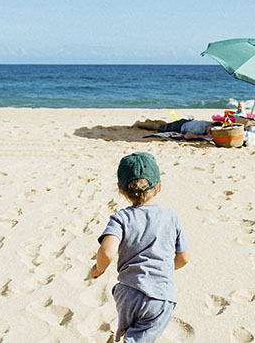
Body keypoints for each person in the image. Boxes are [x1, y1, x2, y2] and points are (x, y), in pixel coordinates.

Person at [91, 152, 190, 343]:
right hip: (160, 296)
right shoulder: (170, 216)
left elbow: (106, 251)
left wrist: (98, 269)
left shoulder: (120, 218)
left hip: (127, 293)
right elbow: (184, 257)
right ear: (159, 185)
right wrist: (165, 268)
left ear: (120, 189)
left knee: (130, 332)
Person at [132, 118, 216, 139]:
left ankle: (149, 121)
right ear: (211, 124)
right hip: (180, 127)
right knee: (160, 128)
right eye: (210, 130)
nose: (210, 132)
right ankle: (139, 123)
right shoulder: (199, 130)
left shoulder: (209, 124)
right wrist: (203, 136)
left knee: (166, 125)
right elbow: (187, 136)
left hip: (186, 122)